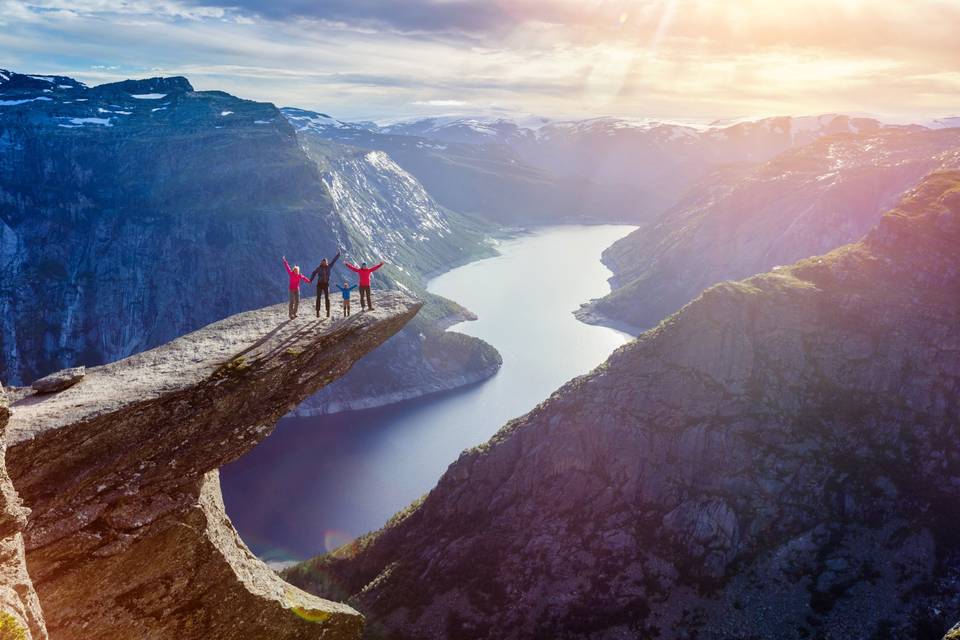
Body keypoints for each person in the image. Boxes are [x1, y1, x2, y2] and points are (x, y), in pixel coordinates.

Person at [310, 250, 341, 318]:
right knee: (318, 298)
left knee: (327, 298)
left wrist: (339, 254)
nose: (323, 263)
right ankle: (318, 312)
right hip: (319, 284)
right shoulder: (319, 268)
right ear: (321, 262)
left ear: (326, 262)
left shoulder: (329, 266)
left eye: (324, 262)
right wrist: (311, 280)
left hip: (326, 284)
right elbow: (314, 273)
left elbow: (334, 260)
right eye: (322, 262)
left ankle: (328, 311)